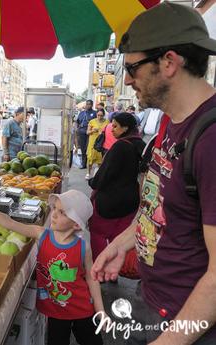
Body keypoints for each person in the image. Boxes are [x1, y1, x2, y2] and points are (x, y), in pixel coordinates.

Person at [92, 3, 216, 344]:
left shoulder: (210, 139)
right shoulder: (168, 122)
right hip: (152, 301)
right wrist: (122, 243)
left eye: (133, 67)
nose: (128, 79)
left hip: (187, 326)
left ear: (169, 62)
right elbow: (158, 206)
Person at [0, 189, 104, 345]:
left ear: (76, 224)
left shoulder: (84, 247)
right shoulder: (41, 235)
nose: (54, 214)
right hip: (56, 312)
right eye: (54, 208)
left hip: (82, 308)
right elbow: (9, 222)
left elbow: (91, 277)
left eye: (62, 212)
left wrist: (100, 309)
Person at [88, 112, 145, 260]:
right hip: (131, 200)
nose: (111, 129)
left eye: (115, 126)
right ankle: (115, 271)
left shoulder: (120, 146)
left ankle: (100, 267)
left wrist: (92, 182)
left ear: (125, 128)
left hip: (110, 201)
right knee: (119, 237)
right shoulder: (142, 144)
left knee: (98, 234)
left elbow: (104, 174)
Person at [86, 109, 109, 179]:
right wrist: (92, 130)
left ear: (104, 115)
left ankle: (99, 174)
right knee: (90, 159)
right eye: (98, 115)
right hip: (93, 142)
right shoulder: (92, 121)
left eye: (101, 115)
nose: (99, 117)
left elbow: (109, 132)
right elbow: (87, 132)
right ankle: (88, 173)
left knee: (101, 159)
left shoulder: (107, 122)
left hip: (101, 142)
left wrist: (102, 133)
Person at [76, 100, 96, 169]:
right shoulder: (82, 112)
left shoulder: (94, 113)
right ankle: (84, 164)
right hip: (81, 131)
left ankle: (88, 163)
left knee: (88, 147)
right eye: (87, 104)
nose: (88, 105)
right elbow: (78, 121)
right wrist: (78, 129)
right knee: (82, 148)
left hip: (90, 132)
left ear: (92, 105)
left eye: (89, 104)